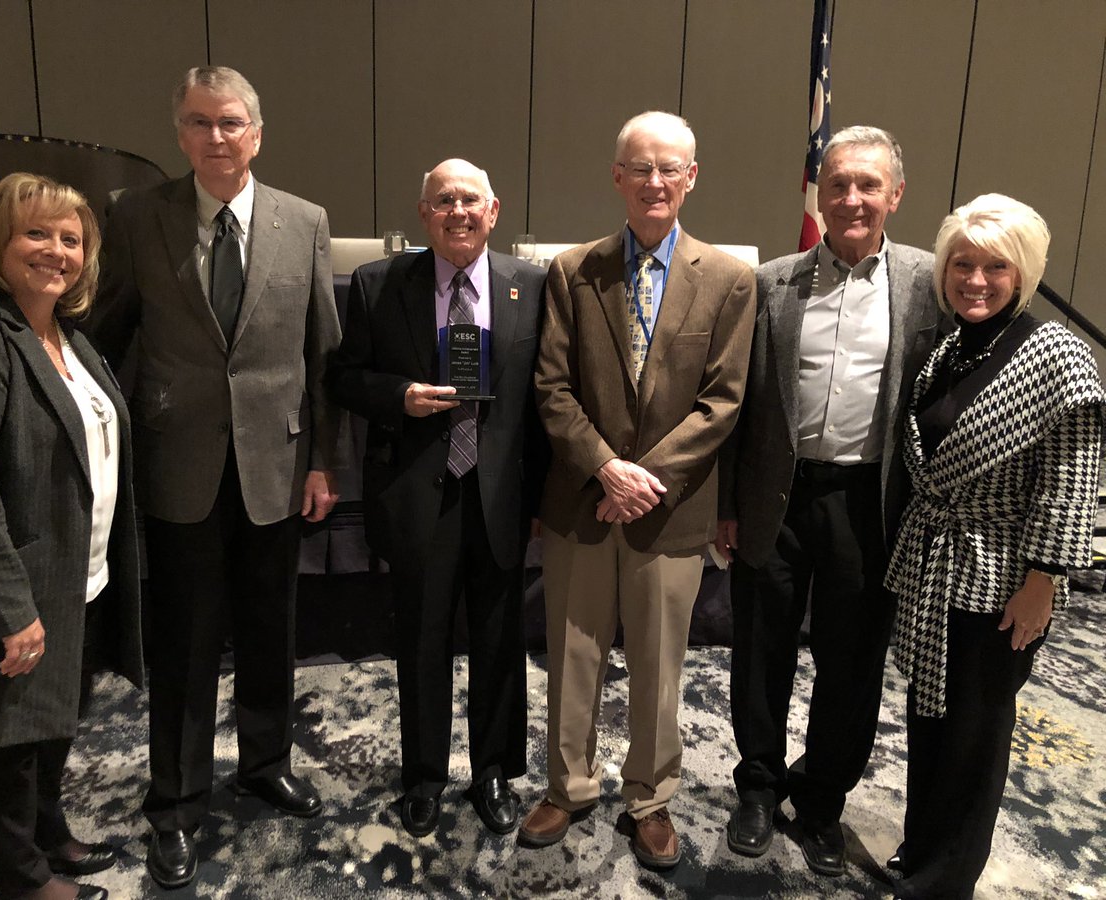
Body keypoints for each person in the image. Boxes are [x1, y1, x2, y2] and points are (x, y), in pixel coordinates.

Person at [87, 66, 343, 889]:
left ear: (257, 133)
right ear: (181, 134)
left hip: (276, 466)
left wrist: (323, 462)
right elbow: (106, 332)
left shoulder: (304, 222)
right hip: (181, 466)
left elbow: (323, 356)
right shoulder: (137, 217)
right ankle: (177, 803)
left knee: (272, 630)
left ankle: (265, 763)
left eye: (230, 122)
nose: (217, 137)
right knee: (187, 643)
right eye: (199, 123)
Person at [522, 111, 756, 869]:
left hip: (670, 511)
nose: (654, 182)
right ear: (616, 177)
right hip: (582, 503)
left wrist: (643, 479)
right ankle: (570, 785)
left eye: (670, 168)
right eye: (640, 168)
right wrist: (605, 468)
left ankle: (650, 797)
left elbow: (723, 402)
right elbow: (551, 388)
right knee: (572, 653)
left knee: (660, 667)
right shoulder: (572, 270)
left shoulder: (728, 280)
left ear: (691, 178)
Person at [0, 173, 144, 900]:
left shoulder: (67, 336)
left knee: (52, 721)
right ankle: (18, 879)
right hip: (20, 581)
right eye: (35, 233)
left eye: (70, 239)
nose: (55, 251)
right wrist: (10, 609)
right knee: (7, 739)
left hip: (80, 570)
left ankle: (48, 832)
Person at [714, 125, 941, 875]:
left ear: (895, 196)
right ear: (819, 192)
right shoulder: (770, 281)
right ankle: (756, 787)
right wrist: (725, 503)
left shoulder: (929, 283)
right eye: (837, 183)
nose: (850, 198)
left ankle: (820, 804)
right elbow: (736, 405)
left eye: (867, 185)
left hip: (867, 504)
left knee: (852, 663)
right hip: (776, 495)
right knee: (759, 650)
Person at [885, 194, 1104, 899]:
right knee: (930, 713)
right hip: (937, 562)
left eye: (995, 267)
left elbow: (1072, 483)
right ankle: (920, 849)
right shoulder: (951, 346)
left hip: (1001, 573)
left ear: (1025, 273)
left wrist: (1043, 581)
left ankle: (944, 879)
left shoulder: (1057, 357)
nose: (975, 280)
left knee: (976, 733)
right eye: (962, 264)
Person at [327, 159, 546, 838]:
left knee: (499, 641)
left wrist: (543, 496)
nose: (459, 212)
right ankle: (422, 776)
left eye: (470, 200)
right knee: (421, 644)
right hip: (421, 492)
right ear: (424, 215)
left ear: (495, 209)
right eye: (444, 201)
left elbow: (547, 398)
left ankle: (492, 773)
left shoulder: (532, 286)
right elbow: (343, 378)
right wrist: (399, 397)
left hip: (502, 494)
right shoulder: (376, 284)